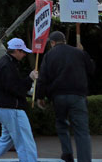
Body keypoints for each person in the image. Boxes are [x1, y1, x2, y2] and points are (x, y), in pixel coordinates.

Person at [36, 30, 95, 162]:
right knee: (82, 131)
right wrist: (84, 53)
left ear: (52, 42)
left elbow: (43, 78)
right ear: (65, 41)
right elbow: (91, 69)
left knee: (61, 124)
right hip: (78, 95)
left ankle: (67, 153)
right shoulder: (78, 52)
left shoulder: (49, 55)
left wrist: (40, 97)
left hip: (58, 96)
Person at [0, 38, 38, 162]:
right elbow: (15, 89)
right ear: (16, 51)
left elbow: (11, 86)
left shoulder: (4, 62)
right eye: (22, 52)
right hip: (12, 108)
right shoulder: (7, 65)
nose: (24, 54)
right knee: (24, 141)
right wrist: (30, 79)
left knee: (6, 139)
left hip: (4, 108)